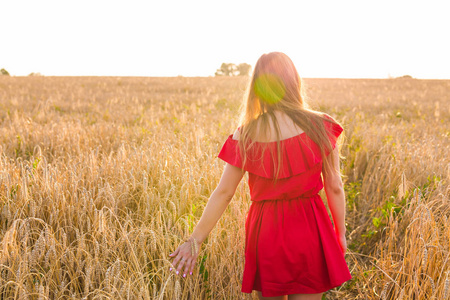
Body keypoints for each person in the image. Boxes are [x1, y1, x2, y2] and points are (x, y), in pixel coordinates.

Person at [169, 52, 352, 300]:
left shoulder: (245, 134)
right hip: (309, 225)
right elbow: (335, 186)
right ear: (294, 81)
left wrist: (195, 240)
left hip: (267, 231)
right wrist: (339, 233)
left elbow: (224, 192)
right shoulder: (321, 125)